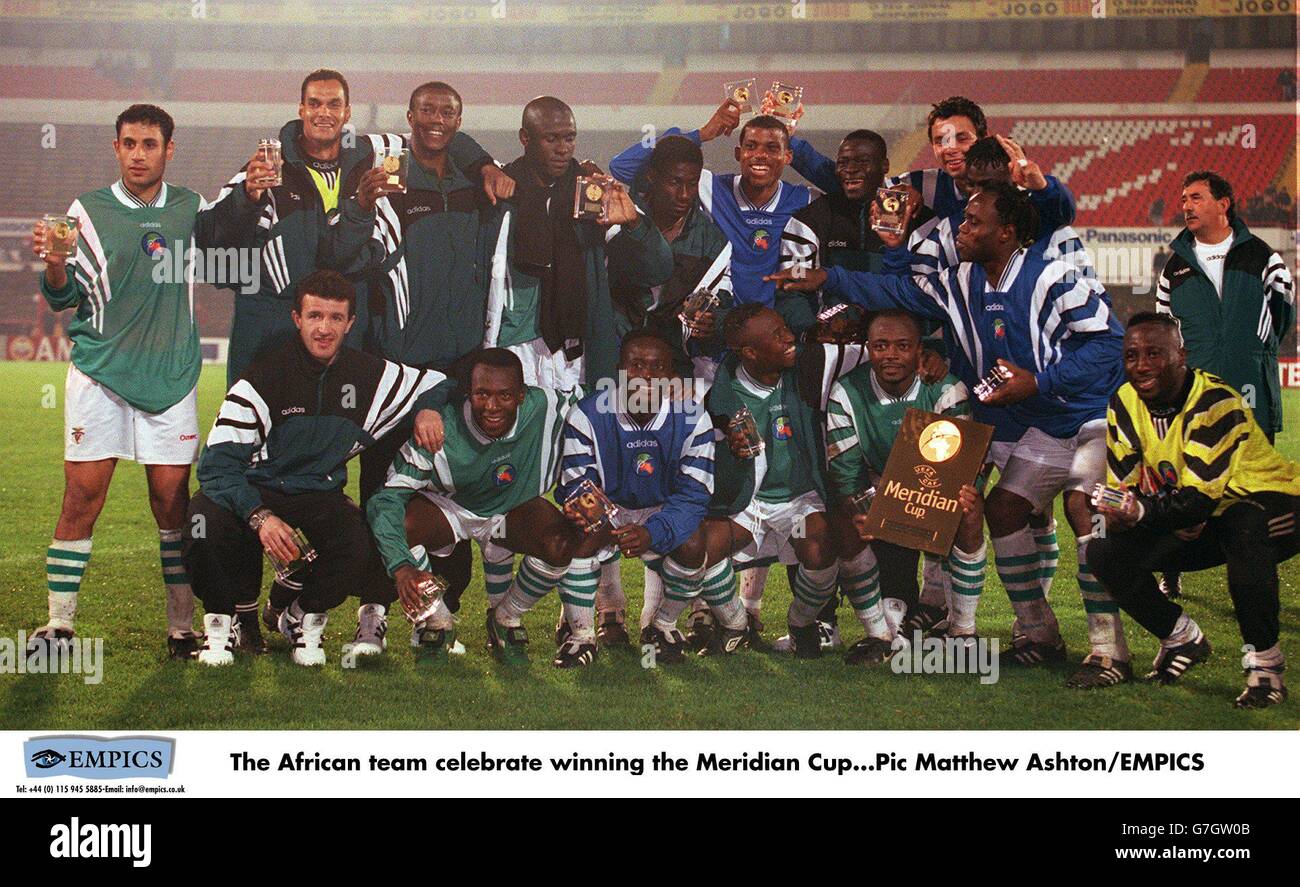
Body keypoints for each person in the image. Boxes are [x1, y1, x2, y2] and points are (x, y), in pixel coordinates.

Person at [769, 182, 1131, 687]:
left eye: (973, 223)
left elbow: (1111, 345)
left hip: (1085, 417)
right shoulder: (960, 280)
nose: (961, 229)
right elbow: (896, 293)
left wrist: (1040, 381)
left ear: (1006, 232)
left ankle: (1109, 651)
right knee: (1000, 509)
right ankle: (1038, 634)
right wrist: (827, 276)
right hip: (1035, 423)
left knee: (1084, 512)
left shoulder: (1054, 276)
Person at [183, 271, 449, 666]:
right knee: (201, 522)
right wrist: (260, 517)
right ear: (297, 319)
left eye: (335, 318)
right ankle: (221, 623)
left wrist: (428, 410)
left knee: (359, 542)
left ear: (350, 323)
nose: (324, 329)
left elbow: (438, 382)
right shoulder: (263, 377)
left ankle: (300, 616)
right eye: (315, 316)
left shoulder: (368, 375)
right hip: (257, 487)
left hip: (316, 492)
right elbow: (216, 467)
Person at [29, 104, 207, 659]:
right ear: (116, 148)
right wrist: (53, 265)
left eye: (149, 144)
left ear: (169, 150)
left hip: (171, 377)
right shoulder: (86, 210)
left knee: (172, 504)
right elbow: (63, 297)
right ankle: (59, 625)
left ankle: (182, 628)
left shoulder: (193, 208)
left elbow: (239, 244)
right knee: (82, 497)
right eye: (128, 144)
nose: (138, 154)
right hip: (99, 374)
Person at [200, 68, 510, 386]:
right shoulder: (269, 167)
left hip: (348, 334)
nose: (324, 113)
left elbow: (439, 137)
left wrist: (484, 165)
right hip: (277, 329)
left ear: (347, 112)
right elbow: (212, 243)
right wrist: (246, 197)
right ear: (301, 109)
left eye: (333, 104)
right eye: (315, 103)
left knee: (341, 413)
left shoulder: (374, 154)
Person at [1090, 313, 1299, 708]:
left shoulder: (1213, 400)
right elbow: (1127, 489)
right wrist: (1117, 514)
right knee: (1102, 548)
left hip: (1275, 504)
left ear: (1181, 356)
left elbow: (1198, 502)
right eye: (1132, 355)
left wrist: (1148, 512)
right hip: (1197, 513)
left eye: (1154, 354)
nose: (1142, 365)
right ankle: (1181, 638)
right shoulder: (1124, 401)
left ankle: (1266, 668)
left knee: (1245, 524)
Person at [366, 348, 582, 665]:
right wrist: (402, 568)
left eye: (504, 395)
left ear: (522, 395)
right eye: (482, 394)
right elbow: (386, 500)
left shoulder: (547, 407)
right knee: (403, 524)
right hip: (452, 511)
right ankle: (437, 621)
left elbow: (601, 405)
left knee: (560, 542)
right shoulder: (441, 426)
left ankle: (505, 618)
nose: (492, 406)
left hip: (509, 513)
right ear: (468, 392)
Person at [599, 134, 732, 643]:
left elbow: (718, 306)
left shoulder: (712, 239)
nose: (683, 193)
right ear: (651, 179)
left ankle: (664, 611)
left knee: (674, 482)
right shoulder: (616, 216)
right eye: (674, 182)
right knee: (609, 479)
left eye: (692, 183)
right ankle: (608, 603)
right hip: (615, 364)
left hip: (677, 372)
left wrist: (709, 325)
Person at [1155, 172, 1294, 601]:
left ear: (1223, 203)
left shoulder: (1263, 257)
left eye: (1196, 197)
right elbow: (1165, 332)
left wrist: (1251, 353)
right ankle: (1173, 567)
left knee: (1252, 493)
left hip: (1251, 390)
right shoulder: (1174, 268)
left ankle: (1252, 575)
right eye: (1184, 199)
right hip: (1194, 397)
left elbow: (1283, 312)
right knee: (1183, 485)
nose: (1186, 206)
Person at [554, 332, 732, 664]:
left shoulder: (693, 417)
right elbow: (579, 486)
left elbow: (694, 496)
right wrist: (600, 521)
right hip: (608, 509)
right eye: (636, 365)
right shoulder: (587, 414)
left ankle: (662, 626)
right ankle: (581, 636)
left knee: (694, 544)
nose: (646, 376)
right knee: (576, 534)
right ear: (619, 370)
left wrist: (652, 532)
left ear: (671, 375)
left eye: (657, 367)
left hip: (661, 509)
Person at [823, 311, 985, 663]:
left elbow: (963, 464)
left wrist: (951, 497)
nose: (891, 355)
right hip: (878, 484)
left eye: (902, 346)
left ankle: (963, 631)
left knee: (969, 512)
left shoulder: (946, 389)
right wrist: (863, 510)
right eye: (881, 346)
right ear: (868, 348)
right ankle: (878, 634)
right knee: (845, 523)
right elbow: (847, 473)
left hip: (934, 484)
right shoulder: (846, 392)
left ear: (919, 350)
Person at [482, 96, 673, 391]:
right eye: (551, 139)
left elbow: (658, 270)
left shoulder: (594, 194)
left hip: (576, 351)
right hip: (512, 346)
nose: (563, 149)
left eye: (569, 138)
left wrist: (634, 224)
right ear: (525, 138)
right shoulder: (500, 193)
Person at [697, 304, 840, 657]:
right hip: (750, 505)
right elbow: (703, 465)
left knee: (821, 549)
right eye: (777, 335)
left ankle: (801, 624)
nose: (790, 338)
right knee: (699, 551)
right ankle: (736, 624)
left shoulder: (808, 369)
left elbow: (864, 356)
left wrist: (929, 356)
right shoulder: (718, 398)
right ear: (749, 352)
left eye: (786, 328)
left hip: (799, 503)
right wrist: (729, 452)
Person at [609, 103, 818, 310]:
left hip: (772, 323)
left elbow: (836, 184)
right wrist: (702, 134)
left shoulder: (805, 200)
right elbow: (622, 167)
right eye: (751, 146)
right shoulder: (709, 187)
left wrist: (791, 138)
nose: (760, 155)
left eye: (772, 148)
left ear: (788, 156)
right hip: (717, 319)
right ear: (738, 153)